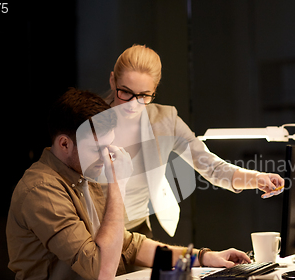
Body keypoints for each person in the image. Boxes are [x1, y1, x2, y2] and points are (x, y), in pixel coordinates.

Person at [6, 88, 251, 280]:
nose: (106, 157)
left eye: (110, 146)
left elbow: (128, 244)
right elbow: (101, 268)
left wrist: (203, 258)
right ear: (64, 144)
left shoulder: (84, 174)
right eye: (98, 149)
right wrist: (117, 184)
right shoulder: (41, 190)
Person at [105, 44, 285, 237]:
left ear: (154, 91)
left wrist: (255, 179)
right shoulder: (87, 122)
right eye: (125, 92)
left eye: (144, 96)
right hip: (91, 231)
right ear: (113, 80)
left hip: (137, 232)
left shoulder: (165, 120)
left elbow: (212, 167)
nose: (133, 104)